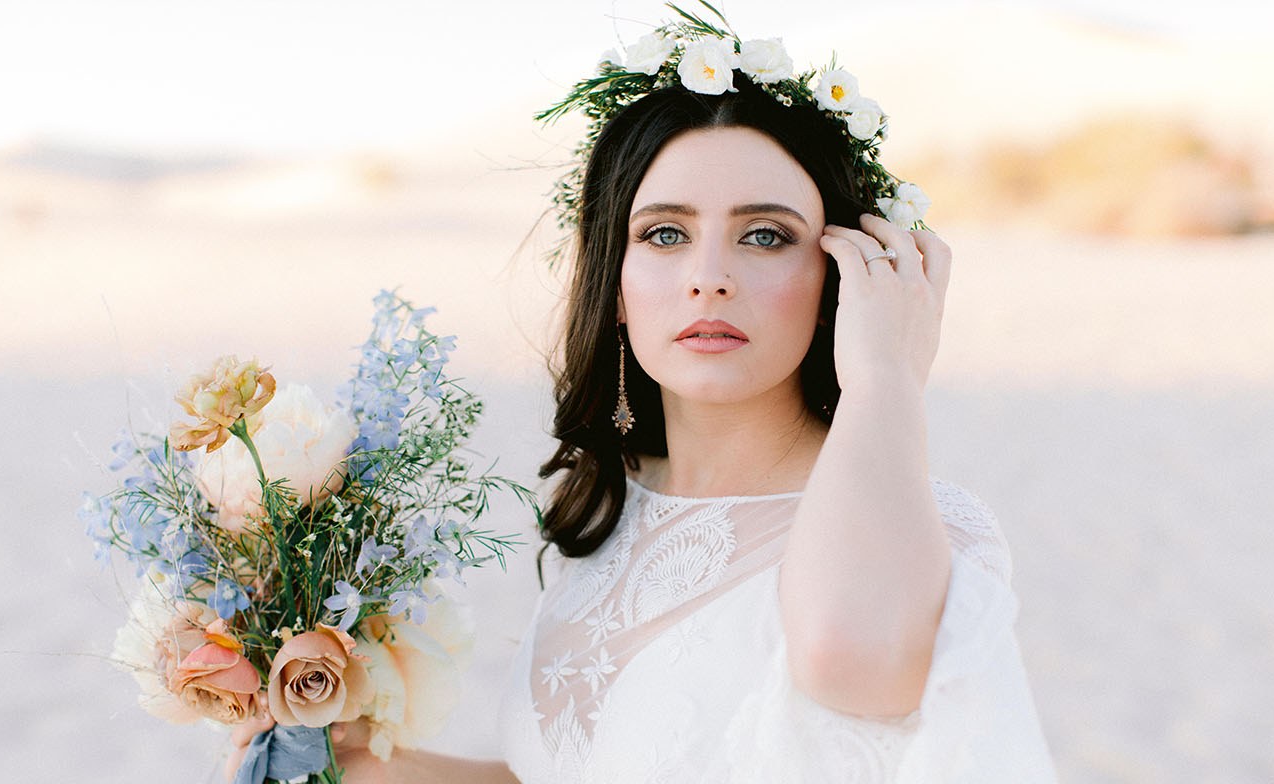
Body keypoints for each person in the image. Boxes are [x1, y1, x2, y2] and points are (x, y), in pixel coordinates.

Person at [229, 8, 1056, 782]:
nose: (709, 279)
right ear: (616, 284)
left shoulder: (928, 532)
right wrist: (372, 767)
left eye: (765, 236)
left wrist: (885, 379)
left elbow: (854, 657)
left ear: (842, 274)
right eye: (665, 233)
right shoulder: (619, 504)